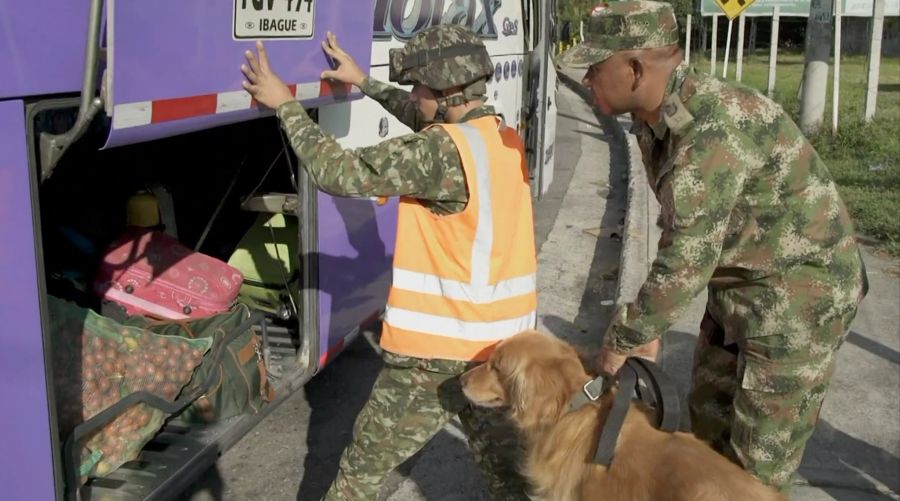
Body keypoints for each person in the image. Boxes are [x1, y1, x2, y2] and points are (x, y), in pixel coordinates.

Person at [561, 1, 868, 494]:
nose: (588, 78)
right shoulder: (653, 121)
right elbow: (680, 225)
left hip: (798, 302)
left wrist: (626, 337)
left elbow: (687, 258)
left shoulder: (711, 130)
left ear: (635, 69)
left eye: (597, 68)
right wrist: (651, 325)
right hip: (737, 288)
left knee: (752, 477)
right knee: (705, 437)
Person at [241, 24, 535, 500]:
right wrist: (362, 81)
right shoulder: (500, 139)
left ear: (448, 91)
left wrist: (286, 106)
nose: (412, 94)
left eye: (419, 86)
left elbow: (337, 171)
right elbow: (422, 123)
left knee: (360, 473)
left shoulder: (439, 154)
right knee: (508, 475)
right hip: (496, 350)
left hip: (435, 356)